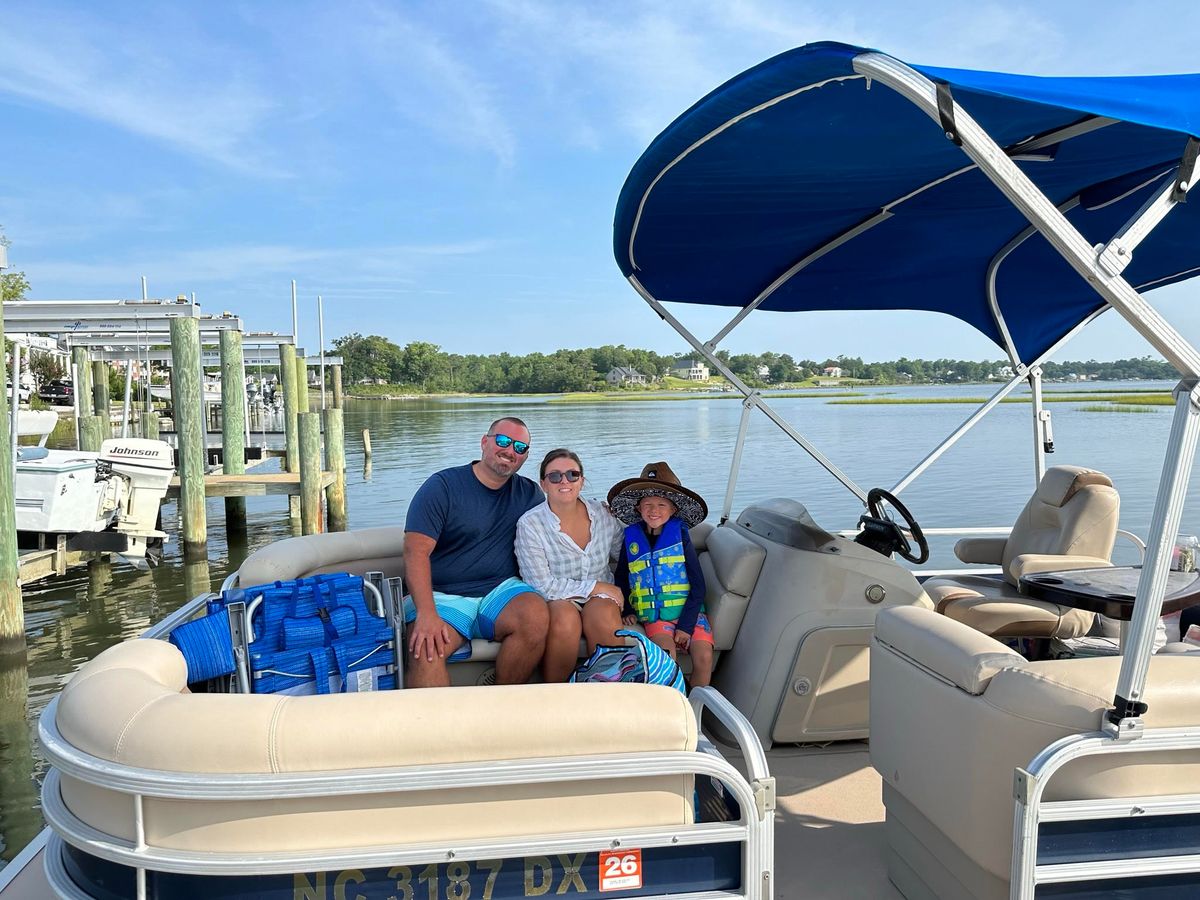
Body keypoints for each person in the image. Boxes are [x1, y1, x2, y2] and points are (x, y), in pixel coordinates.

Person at [403, 416, 548, 687]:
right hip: (442, 595)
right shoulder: (442, 487)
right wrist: (426, 613)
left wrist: (601, 513)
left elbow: (562, 519)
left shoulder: (530, 495)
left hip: (500, 591)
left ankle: (501, 712)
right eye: (503, 441)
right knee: (426, 651)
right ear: (484, 442)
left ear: (526, 456)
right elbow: (415, 552)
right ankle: (438, 728)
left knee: (536, 616)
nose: (509, 451)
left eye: (520, 447)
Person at [515, 449, 626, 682]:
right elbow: (541, 585)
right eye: (555, 476)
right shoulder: (530, 524)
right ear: (543, 484)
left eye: (572, 475)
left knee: (604, 617)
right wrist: (598, 587)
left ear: (582, 481)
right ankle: (559, 699)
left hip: (602, 597)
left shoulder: (604, 515)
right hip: (558, 596)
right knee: (565, 621)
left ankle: (611, 698)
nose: (564, 481)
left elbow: (624, 554)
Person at [608, 462, 715, 688]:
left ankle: (695, 711)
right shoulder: (631, 538)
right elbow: (621, 578)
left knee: (704, 658)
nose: (653, 510)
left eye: (660, 504)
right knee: (666, 658)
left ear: (673, 509)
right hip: (656, 618)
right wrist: (627, 609)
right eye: (647, 504)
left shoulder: (682, 538)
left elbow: (698, 586)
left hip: (690, 615)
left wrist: (685, 626)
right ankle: (671, 708)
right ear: (638, 508)